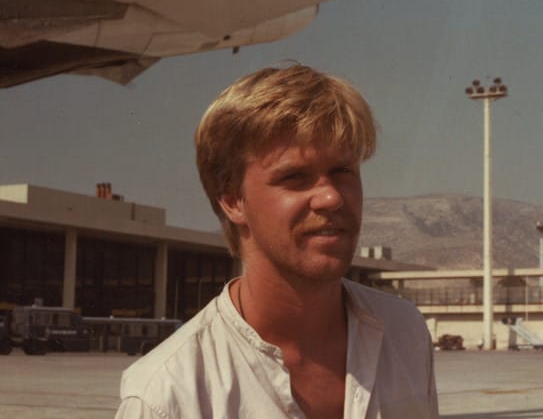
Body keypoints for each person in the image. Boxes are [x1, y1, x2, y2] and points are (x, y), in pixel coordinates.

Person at [115, 64, 439, 419]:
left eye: (342, 171)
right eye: (295, 177)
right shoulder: (168, 396)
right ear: (234, 201)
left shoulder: (404, 332)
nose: (331, 197)